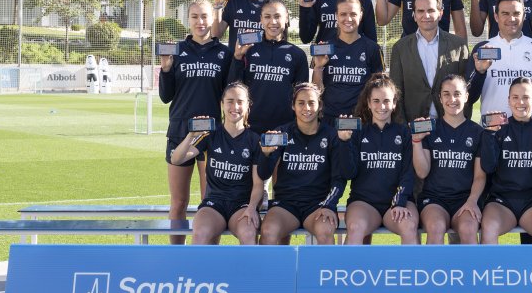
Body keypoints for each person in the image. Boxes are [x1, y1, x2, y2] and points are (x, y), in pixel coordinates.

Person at [157, 0, 231, 244]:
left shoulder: (224, 53)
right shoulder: (177, 51)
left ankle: (205, 259)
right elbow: (166, 97)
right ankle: (176, 257)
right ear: (187, 20)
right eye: (195, 17)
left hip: (212, 135)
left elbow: (229, 95)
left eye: (205, 16)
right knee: (178, 202)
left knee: (209, 203)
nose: (200, 22)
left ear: (213, 19)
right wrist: (166, 69)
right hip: (180, 132)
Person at [169, 83, 269, 245]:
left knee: (248, 232)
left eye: (240, 101)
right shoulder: (211, 135)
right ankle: (199, 271)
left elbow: (258, 184)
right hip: (214, 203)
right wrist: (191, 135)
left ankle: (247, 271)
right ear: (222, 104)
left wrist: (251, 208)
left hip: (241, 205)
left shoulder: (254, 140)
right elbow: (177, 159)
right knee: (201, 233)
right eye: (229, 101)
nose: (234, 106)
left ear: (248, 105)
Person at [336, 74, 418, 244]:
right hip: (364, 203)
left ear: (394, 103)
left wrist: (399, 202)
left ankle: (412, 271)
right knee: (356, 228)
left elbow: (408, 173)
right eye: (376, 101)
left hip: (397, 202)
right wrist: (344, 142)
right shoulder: (357, 133)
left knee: (409, 226)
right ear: (368, 103)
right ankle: (349, 271)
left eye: (387, 101)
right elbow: (348, 172)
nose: (382, 106)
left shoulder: (404, 133)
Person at [259, 83, 344, 246]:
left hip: (318, 203)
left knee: (326, 231)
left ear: (320, 106)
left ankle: (321, 272)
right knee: (269, 231)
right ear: (293, 106)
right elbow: (263, 174)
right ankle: (270, 272)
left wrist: (329, 204)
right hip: (286, 204)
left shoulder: (332, 135)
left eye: (312, 102)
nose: (307, 108)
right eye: (301, 103)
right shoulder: (282, 133)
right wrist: (266, 154)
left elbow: (339, 178)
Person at [479, 77, 532, 244]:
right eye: (515, 97)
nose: (520, 102)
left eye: (526, 97)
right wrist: (489, 135)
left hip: (531, 202)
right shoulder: (498, 128)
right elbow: (488, 167)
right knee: (489, 227)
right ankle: (490, 270)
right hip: (501, 202)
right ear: (508, 100)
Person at [412, 75, 486, 244]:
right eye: (446, 94)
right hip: (435, 199)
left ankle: (470, 271)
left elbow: (480, 176)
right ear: (440, 98)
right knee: (436, 227)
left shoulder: (477, 133)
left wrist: (472, 201)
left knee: (468, 228)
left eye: (457, 94)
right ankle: (432, 271)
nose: (452, 99)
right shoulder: (429, 128)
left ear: (466, 96)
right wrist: (416, 141)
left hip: (466, 199)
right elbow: (422, 172)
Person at [468, 0, 532, 120]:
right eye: (505, 14)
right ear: (496, 17)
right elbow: (469, 98)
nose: (511, 19)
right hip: (492, 131)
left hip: (530, 134)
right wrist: (480, 72)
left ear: (524, 16)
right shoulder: (482, 49)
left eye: (516, 13)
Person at [227, 0, 309, 134]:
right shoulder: (249, 49)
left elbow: (302, 94)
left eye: (277, 16)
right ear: (261, 20)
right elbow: (233, 85)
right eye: (267, 17)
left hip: (285, 127)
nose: (273, 22)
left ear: (286, 18)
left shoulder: (297, 54)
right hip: (251, 127)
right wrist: (237, 57)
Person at [389, 0, 470, 122]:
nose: (426, 15)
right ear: (414, 15)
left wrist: (462, 122)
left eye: (431, 10)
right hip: (413, 126)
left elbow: (467, 86)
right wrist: (402, 126)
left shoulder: (458, 45)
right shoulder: (400, 48)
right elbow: (395, 91)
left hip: (450, 125)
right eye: (420, 11)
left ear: (440, 13)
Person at [311, 0, 384, 123]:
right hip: (330, 120)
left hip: (362, 120)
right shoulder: (324, 48)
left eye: (353, 14)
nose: (348, 19)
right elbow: (315, 91)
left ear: (361, 15)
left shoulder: (372, 48)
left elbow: (379, 89)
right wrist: (318, 67)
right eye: (343, 14)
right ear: (336, 16)